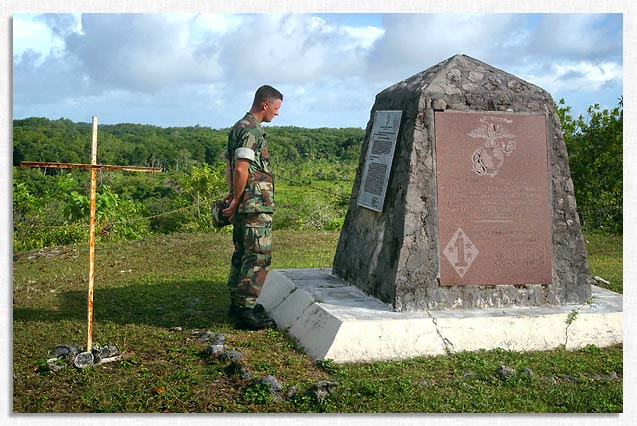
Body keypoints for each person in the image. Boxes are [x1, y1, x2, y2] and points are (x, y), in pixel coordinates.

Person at [222, 85, 283, 330]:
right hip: (254, 205)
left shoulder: (238, 127)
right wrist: (237, 199)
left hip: (246, 204)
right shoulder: (251, 131)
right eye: (276, 108)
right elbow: (240, 168)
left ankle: (238, 304)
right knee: (258, 256)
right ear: (265, 105)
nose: (277, 114)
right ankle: (244, 312)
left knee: (242, 253)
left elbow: (230, 165)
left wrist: (233, 196)